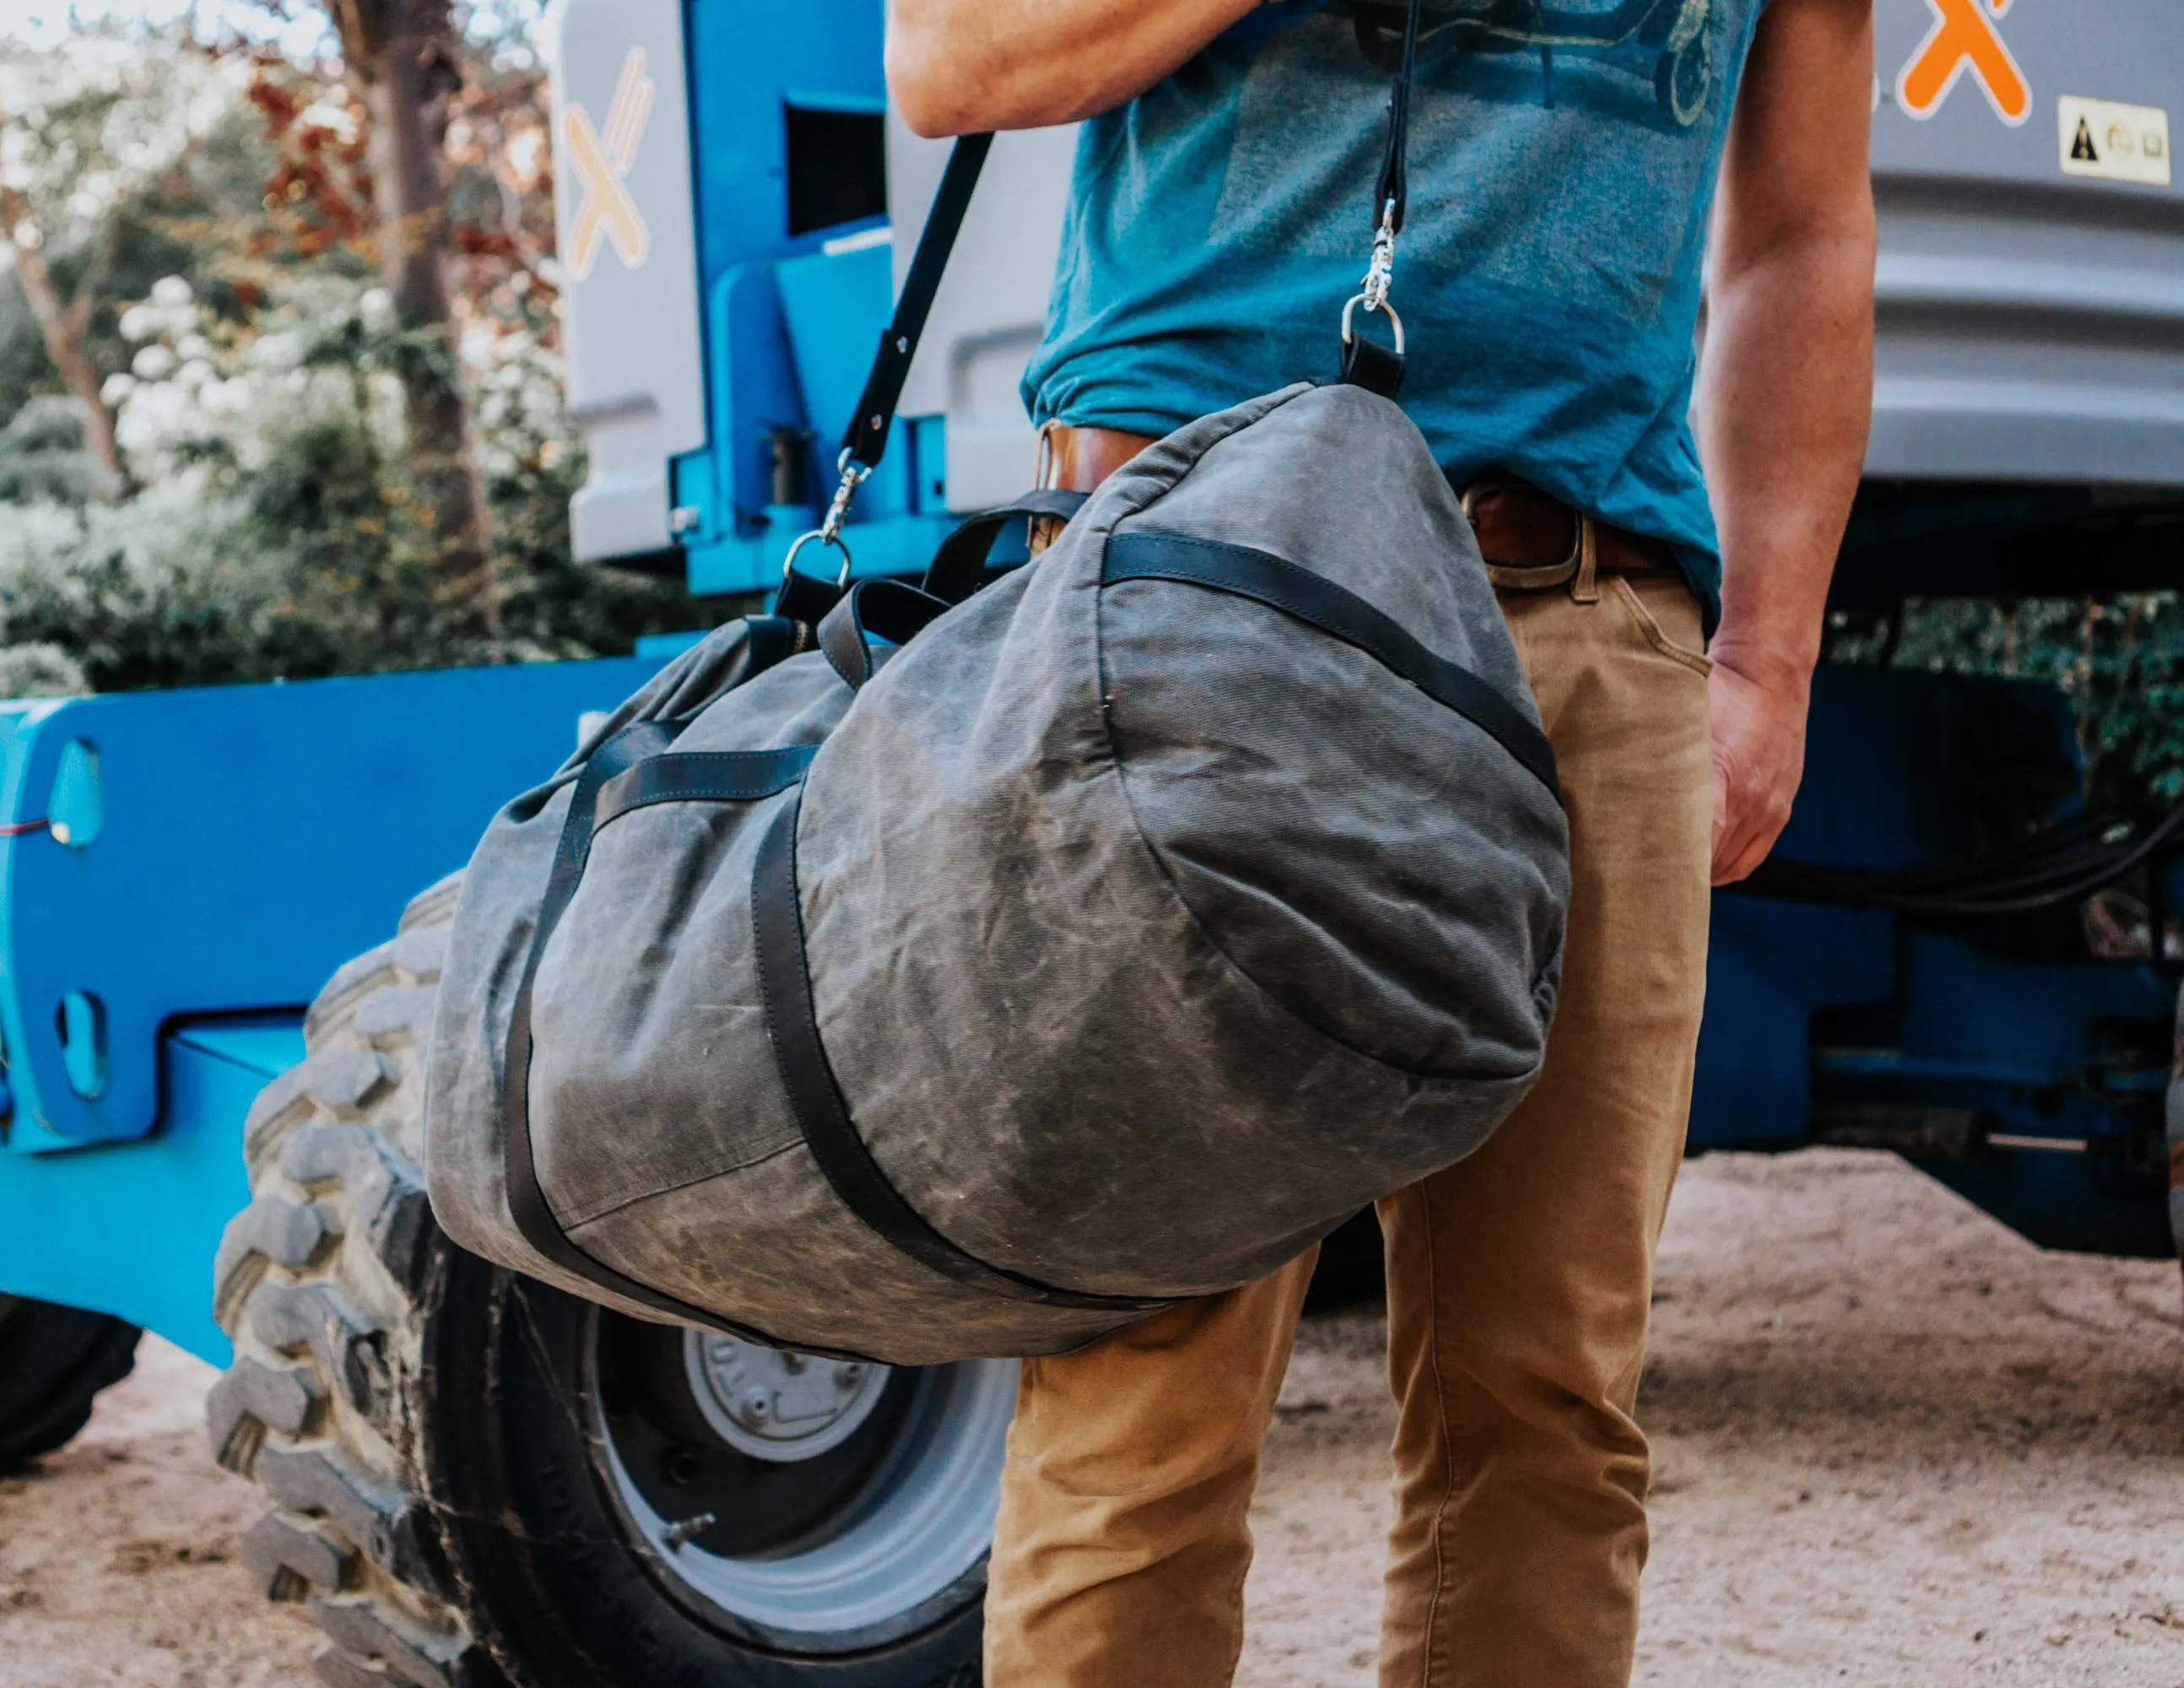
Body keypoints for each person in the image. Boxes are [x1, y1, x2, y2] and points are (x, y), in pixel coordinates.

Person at [887, 0, 1876, 1681]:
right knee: (1154, 1373)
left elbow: (1801, 227)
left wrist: (1766, 658)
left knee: (1549, 1395)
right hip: (1205, 564)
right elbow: (953, 59)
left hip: (1589, 600)